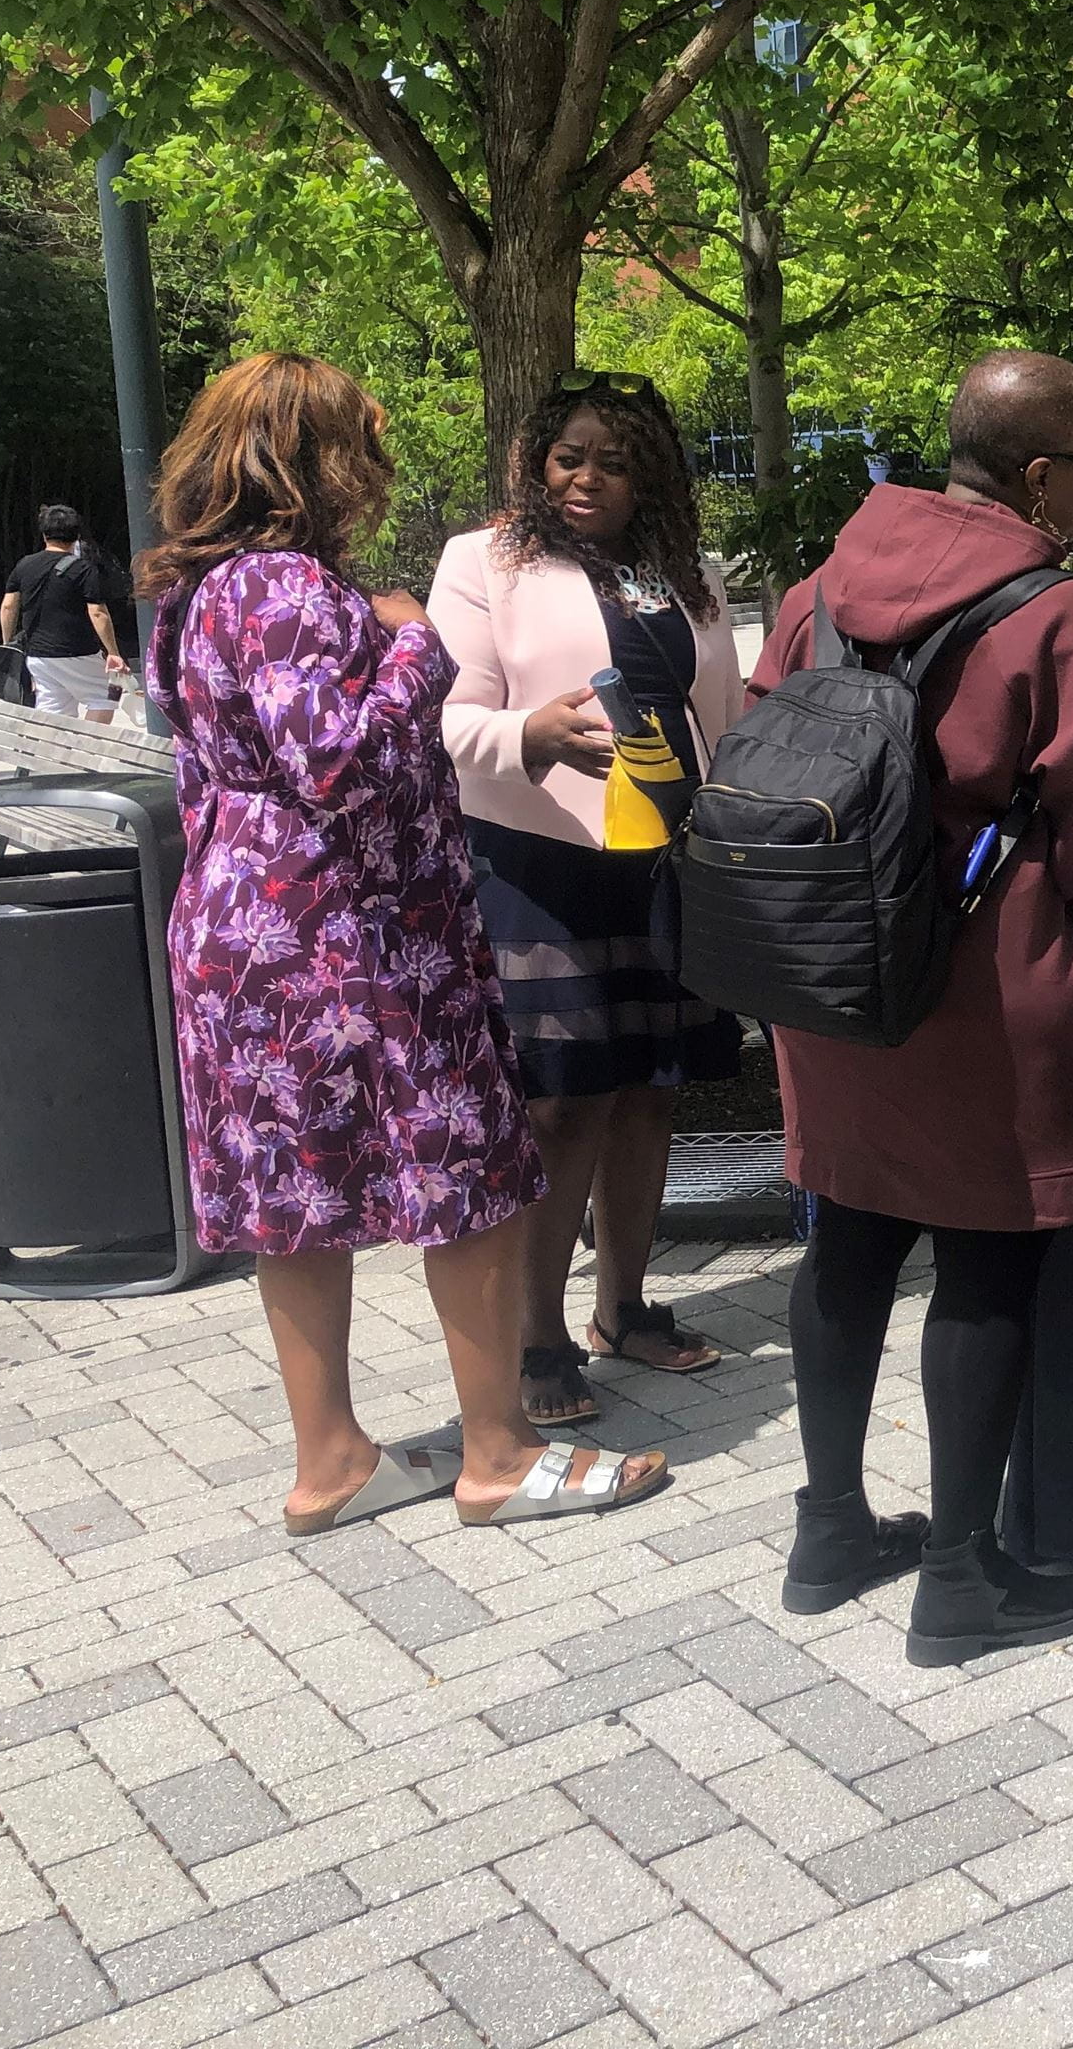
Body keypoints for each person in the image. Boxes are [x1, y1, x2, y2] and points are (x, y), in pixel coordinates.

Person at [140, 353, 668, 1532]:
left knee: (294, 1189)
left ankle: (330, 1462)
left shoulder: (203, 588)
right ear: (313, 456)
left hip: (249, 931)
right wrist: (416, 643)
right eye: (361, 441)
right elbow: (336, 761)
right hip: (351, 937)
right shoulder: (280, 585)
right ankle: (498, 1454)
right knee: (468, 1173)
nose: (376, 464)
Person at [753, 348, 1073, 1659]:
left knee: (851, 1236)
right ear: (1043, 474)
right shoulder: (1060, 613)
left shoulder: (818, 591)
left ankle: (826, 1534)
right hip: (983, 974)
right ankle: (963, 1581)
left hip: (825, 967)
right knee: (987, 1251)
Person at [432, 377, 745, 1431]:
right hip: (540, 859)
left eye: (613, 461)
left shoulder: (685, 575)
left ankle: (626, 1309)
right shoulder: (483, 565)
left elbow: (721, 715)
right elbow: (444, 718)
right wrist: (530, 737)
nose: (587, 478)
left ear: (649, 474)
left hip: (664, 856)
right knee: (561, 1103)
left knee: (651, 1090)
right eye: (568, 456)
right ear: (536, 462)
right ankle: (537, 1336)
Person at [0, 504, 131, 723]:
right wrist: (113, 652)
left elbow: (8, 606)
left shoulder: (24, 565)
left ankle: (55, 756)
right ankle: (86, 752)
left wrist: (7, 644)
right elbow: (97, 612)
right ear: (76, 536)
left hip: (38, 655)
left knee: (53, 709)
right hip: (78, 651)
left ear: (44, 535)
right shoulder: (83, 568)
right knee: (104, 697)